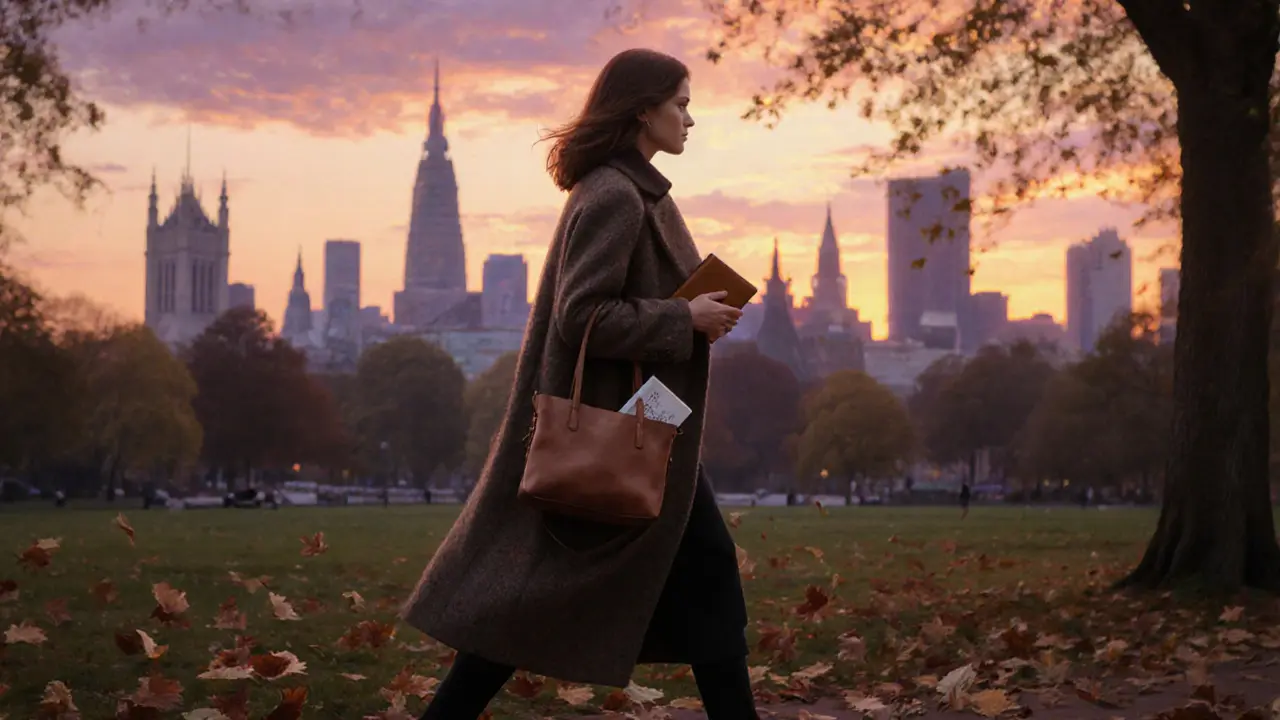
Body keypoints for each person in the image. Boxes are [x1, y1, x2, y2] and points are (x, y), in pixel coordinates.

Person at [400, 48, 756, 720]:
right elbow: (582, 314)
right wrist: (685, 316)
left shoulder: (631, 189)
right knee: (544, 591)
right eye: (680, 103)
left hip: (644, 423)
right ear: (642, 108)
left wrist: (694, 316)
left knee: (698, 576)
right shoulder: (617, 195)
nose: (690, 118)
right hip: (621, 427)